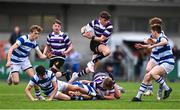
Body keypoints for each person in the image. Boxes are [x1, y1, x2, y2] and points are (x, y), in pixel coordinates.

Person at [132, 24, 174, 102]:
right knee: (147, 76)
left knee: (152, 73)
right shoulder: (158, 39)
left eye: (152, 31)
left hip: (168, 62)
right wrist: (142, 46)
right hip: (163, 62)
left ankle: (167, 89)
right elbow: (152, 44)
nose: (151, 33)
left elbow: (164, 42)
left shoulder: (162, 37)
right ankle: (138, 97)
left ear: (155, 32)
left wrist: (152, 46)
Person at [69, 11, 113, 82]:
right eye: (105, 20)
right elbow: (84, 28)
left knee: (91, 69)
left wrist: (91, 37)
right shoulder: (94, 22)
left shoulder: (109, 26)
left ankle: (76, 75)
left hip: (101, 44)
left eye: (107, 20)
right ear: (100, 19)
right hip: (94, 44)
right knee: (107, 51)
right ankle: (91, 62)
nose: (106, 22)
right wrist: (84, 33)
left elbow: (101, 39)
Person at [6, 25, 47, 100]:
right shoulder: (23, 39)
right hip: (15, 61)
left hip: (24, 60)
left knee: (34, 78)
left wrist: (47, 56)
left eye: (38, 34)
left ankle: (38, 95)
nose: (37, 35)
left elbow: (41, 56)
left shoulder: (34, 43)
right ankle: (11, 75)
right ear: (31, 33)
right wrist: (8, 61)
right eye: (35, 33)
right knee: (16, 82)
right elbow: (11, 48)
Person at [25, 65, 96, 101]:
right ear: (38, 74)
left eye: (44, 74)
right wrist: (32, 99)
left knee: (76, 88)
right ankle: (58, 96)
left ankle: (92, 94)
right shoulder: (35, 78)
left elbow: (56, 87)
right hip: (49, 91)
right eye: (42, 75)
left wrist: (50, 99)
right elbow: (27, 90)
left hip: (58, 84)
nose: (44, 76)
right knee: (67, 98)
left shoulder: (49, 73)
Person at [143, 17, 166, 99]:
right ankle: (150, 90)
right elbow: (149, 43)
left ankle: (160, 91)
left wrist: (148, 41)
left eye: (154, 24)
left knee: (160, 76)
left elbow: (162, 43)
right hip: (154, 56)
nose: (152, 26)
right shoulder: (152, 33)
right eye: (152, 24)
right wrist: (145, 43)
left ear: (158, 24)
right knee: (148, 70)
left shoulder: (162, 35)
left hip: (161, 58)